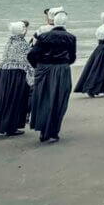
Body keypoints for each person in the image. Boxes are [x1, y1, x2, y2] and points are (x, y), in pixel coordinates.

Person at [27, 10, 77, 142]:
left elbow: (31, 54)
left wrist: (38, 66)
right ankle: (53, 131)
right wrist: (63, 64)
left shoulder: (44, 36)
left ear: (53, 21)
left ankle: (43, 130)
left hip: (44, 69)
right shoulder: (71, 37)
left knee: (43, 99)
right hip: (62, 70)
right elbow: (72, 57)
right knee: (59, 100)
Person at [74, 11, 104, 97]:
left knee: (97, 68)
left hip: (99, 49)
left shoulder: (99, 28)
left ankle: (95, 88)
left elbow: (99, 40)